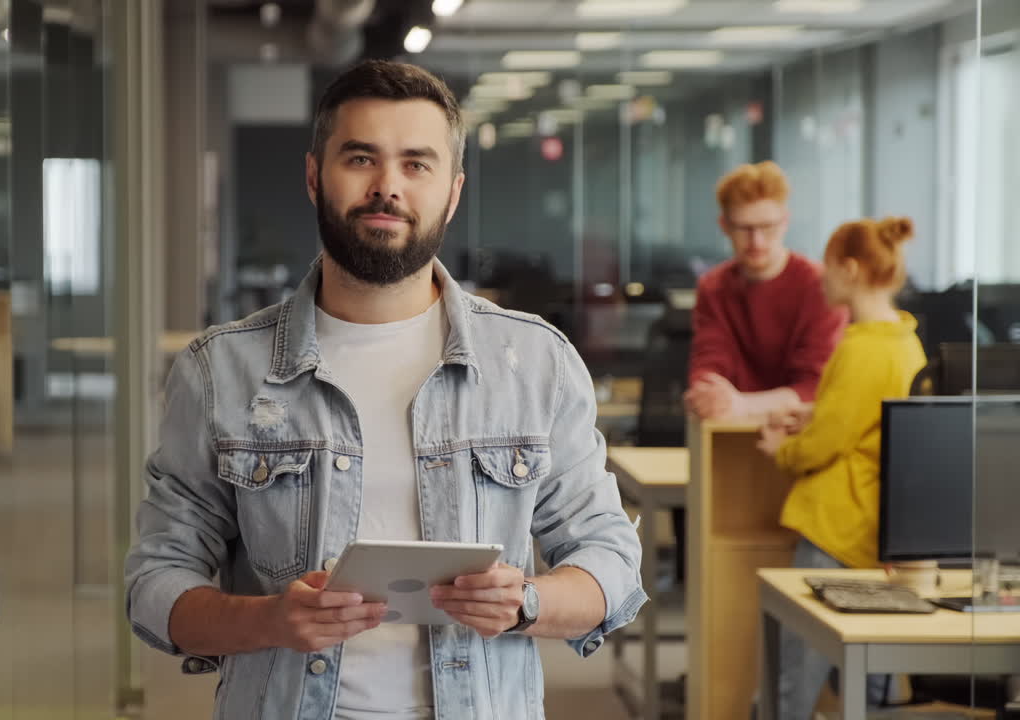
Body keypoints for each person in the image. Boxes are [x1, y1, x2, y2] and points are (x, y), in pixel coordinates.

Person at [124, 60, 645, 719]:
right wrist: (268, 620)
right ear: (314, 176)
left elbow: (611, 562)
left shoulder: (535, 362)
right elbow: (155, 585)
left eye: (416, 164)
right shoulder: (220, 370)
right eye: (361, 158)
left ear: (452, 193)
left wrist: (525, 603)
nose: (386, 186)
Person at [757, 217, 927, 720]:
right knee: (864, 674)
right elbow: (869, 413)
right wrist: (815, 411)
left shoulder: (860, 348)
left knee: (796, 674)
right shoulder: (904, 340)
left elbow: (825, 445)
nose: (821, 279)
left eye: (827, 268)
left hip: (835, 525)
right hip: (872, 529)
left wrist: (781, 449)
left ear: (850, 270)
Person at [685, 161, 848, 421]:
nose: (757, 241)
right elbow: (708, 365)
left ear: (785, 221)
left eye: (767, 227)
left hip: (803, 432)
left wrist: (743, 406)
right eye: (744, 228)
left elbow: (816, 386)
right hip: (728, 430)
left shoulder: (822, 285)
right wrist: (707, 393)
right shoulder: (712, 287)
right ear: (724, 225)